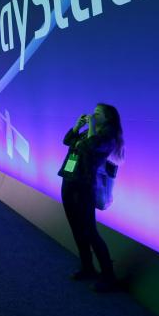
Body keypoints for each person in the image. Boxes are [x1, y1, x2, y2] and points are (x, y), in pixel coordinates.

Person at [58, 103, 125, 292]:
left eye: (98, 113)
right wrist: (77, 127)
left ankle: (108, 276)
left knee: (90, 231)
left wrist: (92, 128)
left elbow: (89, 147)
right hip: (69, 180)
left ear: (108, 117)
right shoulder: (89, 131)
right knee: (76, 228)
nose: (92, 114)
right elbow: (67, 141)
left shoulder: (108, 137)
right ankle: (87, 268)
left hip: (84, 186)